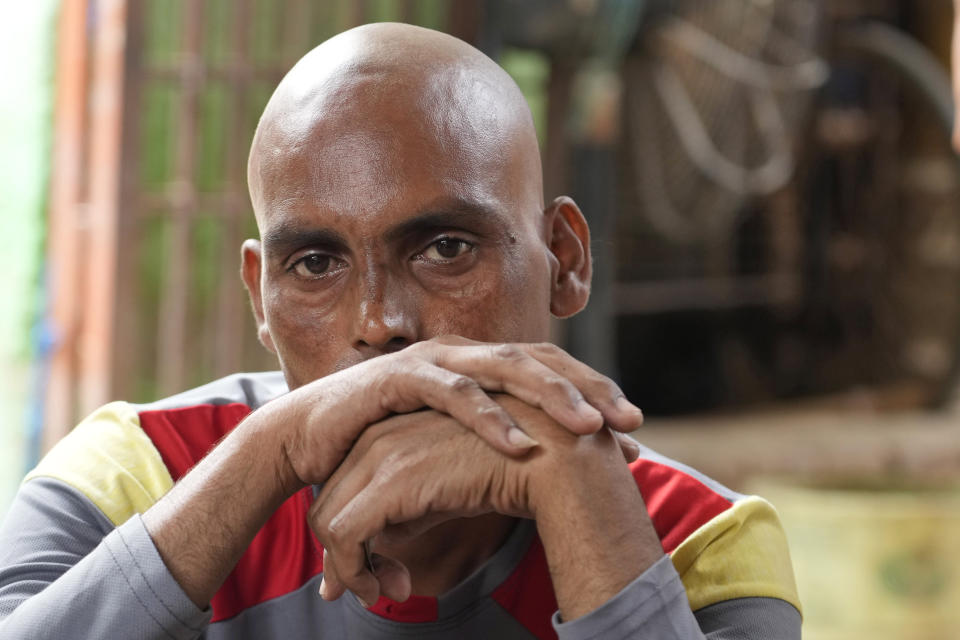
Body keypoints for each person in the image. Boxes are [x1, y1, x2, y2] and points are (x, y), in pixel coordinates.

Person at [0, 23, 800, 639]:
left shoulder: (695, 538)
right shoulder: (138, 475)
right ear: (259, 296)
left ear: (564, 260)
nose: (381, 326)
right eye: (315, 265)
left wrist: (579, 490)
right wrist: (267, 454)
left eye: (447, 249)